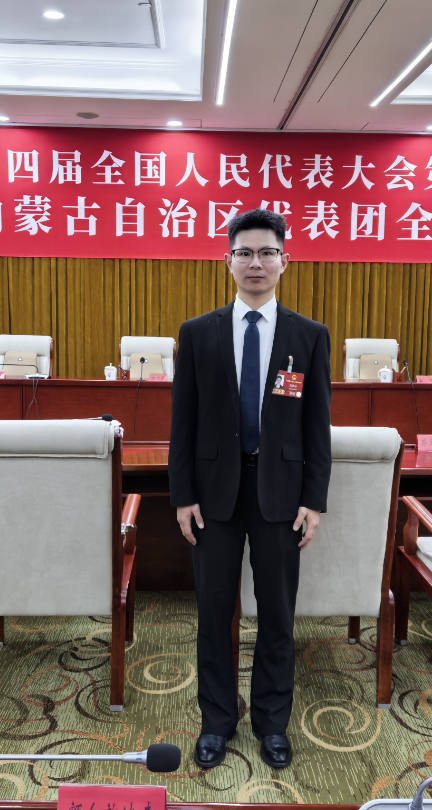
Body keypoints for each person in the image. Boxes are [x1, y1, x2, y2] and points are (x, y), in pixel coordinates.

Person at [168, 208, 332, 771]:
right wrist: (182, 495)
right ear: (228, 260)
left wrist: (314, 500)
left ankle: (272, 722)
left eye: (267, 252)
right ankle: (216, 721)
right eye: (245, 253)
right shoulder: (198, 333)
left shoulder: (308, 336)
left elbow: (316, 425)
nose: (255, 263)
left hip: (281, 495)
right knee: (214, 613)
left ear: (285, 261)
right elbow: (183, 422)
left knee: (278, 615)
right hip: (213, 495)